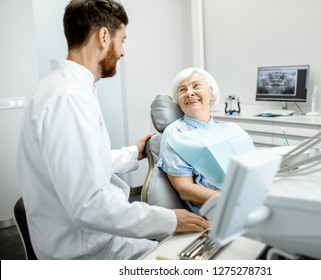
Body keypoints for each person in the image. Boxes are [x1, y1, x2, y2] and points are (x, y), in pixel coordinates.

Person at [17, 0, 209, 260]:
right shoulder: (67, 98)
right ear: (104, 36)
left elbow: (80, 166)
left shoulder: (61, 89)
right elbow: (90, 204)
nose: (122, 52)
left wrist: (133, 153)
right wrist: (170, 219)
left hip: (96, 239)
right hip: (86, 253)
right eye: (123, 40)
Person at [157, 68, 256, 214]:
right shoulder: (175, 133)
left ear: (211, 94)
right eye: (182, 90)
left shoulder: (232, 129)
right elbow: (185, 189)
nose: (189, 93)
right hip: (222, 210)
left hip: (252, 198)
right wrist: (233, 201)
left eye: (196, 86)